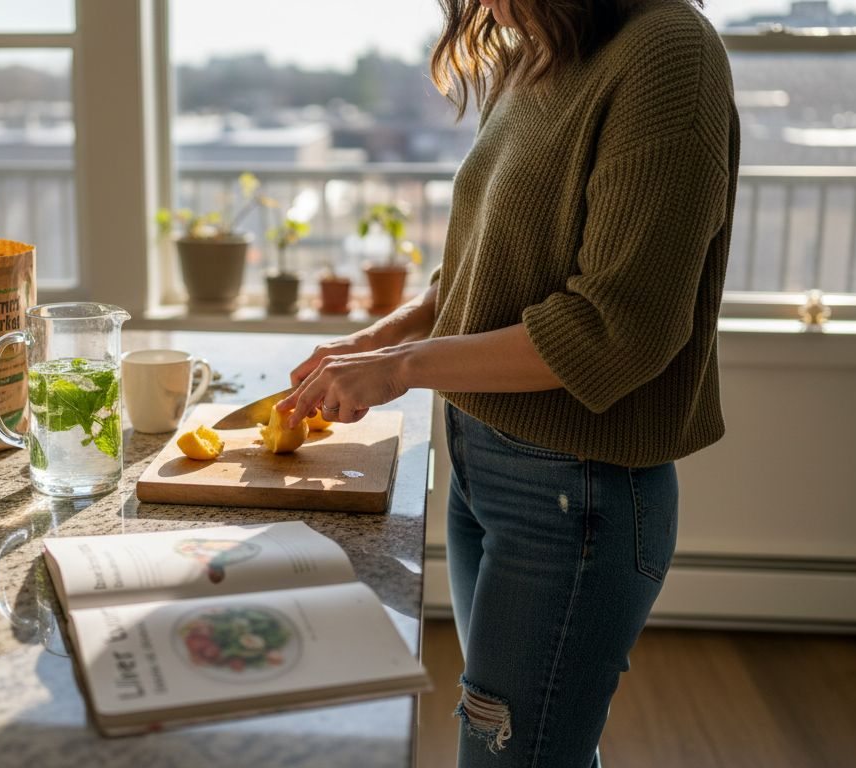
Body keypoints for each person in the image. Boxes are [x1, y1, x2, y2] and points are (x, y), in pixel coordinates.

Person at [278, 0, 738, 765]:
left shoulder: (669, 51)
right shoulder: (543, 49)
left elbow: (617, 331)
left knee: (513, 754)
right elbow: (483, 264)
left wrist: (401, 368)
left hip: (573, 498)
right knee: (536, 748)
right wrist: (378, 337)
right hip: (483, 467)